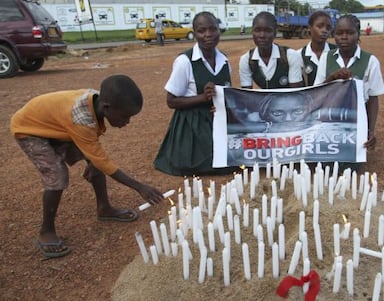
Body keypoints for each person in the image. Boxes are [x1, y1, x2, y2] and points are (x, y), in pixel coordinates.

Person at [10, 75, 165, 258]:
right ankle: (46, 231)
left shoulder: (97, 102)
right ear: (107, 107)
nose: (127, 122)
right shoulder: (82, 118)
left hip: (60, 125)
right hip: (30, 129)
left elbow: (93, 145)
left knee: (95, 162)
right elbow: (102, 157)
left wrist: (93, 162)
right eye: (125, 116)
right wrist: (139, 186)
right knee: (57, 175)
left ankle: (104, 208)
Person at [154, 11, 235, 176]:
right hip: (192, 122)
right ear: (194, 33)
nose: (208, 35)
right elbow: (171, 101)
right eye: (201, 31)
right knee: (203, 164)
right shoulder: (185, 61)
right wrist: (203, 98)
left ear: (219, 30)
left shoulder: (224, 60)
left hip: (217, 120)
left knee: (234, 159)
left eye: (213, 29)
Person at [314, 15, 384, 169]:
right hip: (329, 120)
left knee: (350, 168)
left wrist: (371, 130)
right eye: (339, 33)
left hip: (356, 123)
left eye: (350, 33)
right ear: (334, 35)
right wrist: (332, 78)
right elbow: (317, 92)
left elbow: (373, 98)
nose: (344, 37)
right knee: (325, 167)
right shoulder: (326, 59)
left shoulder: (370, 61)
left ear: (358, 34)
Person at [239, 11, 303, 89]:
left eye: (268, 31)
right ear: (252, 32)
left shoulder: (290, 56)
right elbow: (246, 95)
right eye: (257, 30)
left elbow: (295, 94)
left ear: (275, 33)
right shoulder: (246, 60)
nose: (262, 35)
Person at [297, 10, 336, 86]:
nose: (324, 30)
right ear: (309, 28)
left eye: (328, 28)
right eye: (320, 26)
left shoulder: (337, 52)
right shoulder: (299, 55)